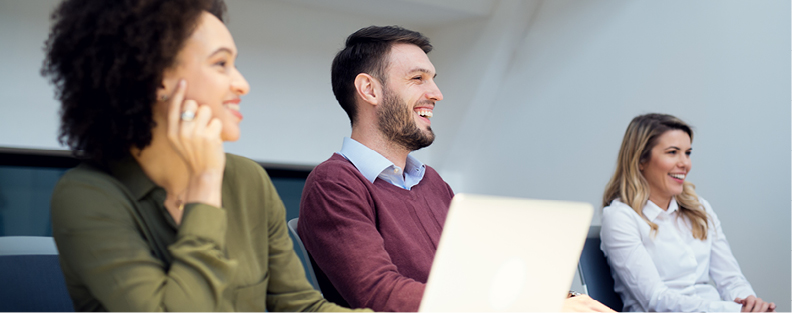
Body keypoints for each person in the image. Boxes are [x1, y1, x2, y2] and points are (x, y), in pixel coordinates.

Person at [42, 0, 362, 311]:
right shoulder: (86, 196)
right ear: (156, 77)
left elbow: (301, 307)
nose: (242, 84)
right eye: (221, 63)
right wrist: (205, 183)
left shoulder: (248, 180)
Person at [298, 25, 613, 313]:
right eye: (417, 78)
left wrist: (559, 298)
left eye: (433, 79)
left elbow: (482, 271)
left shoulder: (431, 182)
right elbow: (383, 296)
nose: (436, 93)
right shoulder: (334, 184)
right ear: (369, 90)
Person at [600, 113, 775, 312]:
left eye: (687, 153)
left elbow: (731, 279)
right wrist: (732, 311)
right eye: (673, 152)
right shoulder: (620, 218)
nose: (685, 163)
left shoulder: (700, 208)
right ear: (641, 160)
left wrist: (750, 304)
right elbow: (656, 299)